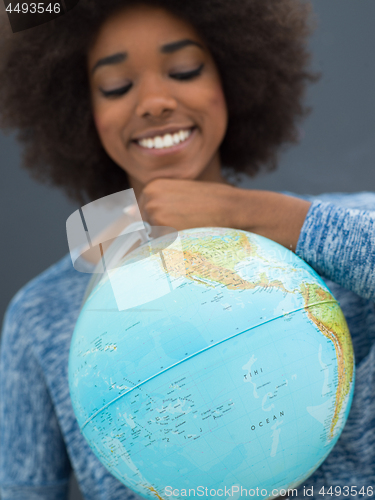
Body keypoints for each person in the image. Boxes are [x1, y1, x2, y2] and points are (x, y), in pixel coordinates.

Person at [0, 1, 374, 499]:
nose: (154, 100)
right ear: (80, 109)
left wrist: (248, 213)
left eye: (184, 70)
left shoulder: (350, 228)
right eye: (116, 86)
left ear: (231, 77)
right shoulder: (40, 312)